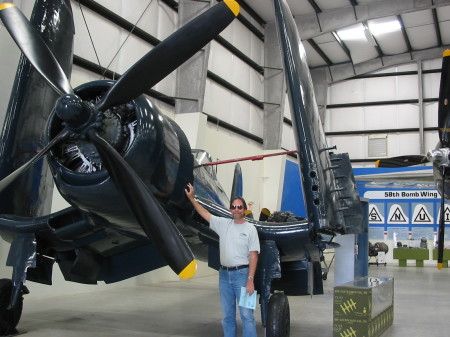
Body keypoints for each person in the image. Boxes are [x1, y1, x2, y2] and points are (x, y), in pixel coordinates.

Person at [185, 183, 260, 337]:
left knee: (247, 317)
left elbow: (254, 255)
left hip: (243, 275)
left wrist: (250, 280)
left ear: (244, 210)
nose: (236, 209)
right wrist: (192, 198)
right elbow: (205, 214)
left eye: (239, 207)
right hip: (224, 276)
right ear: (231, 209)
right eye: (233, 207)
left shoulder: (251, 229)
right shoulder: (223, 224)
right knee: (227, 316)